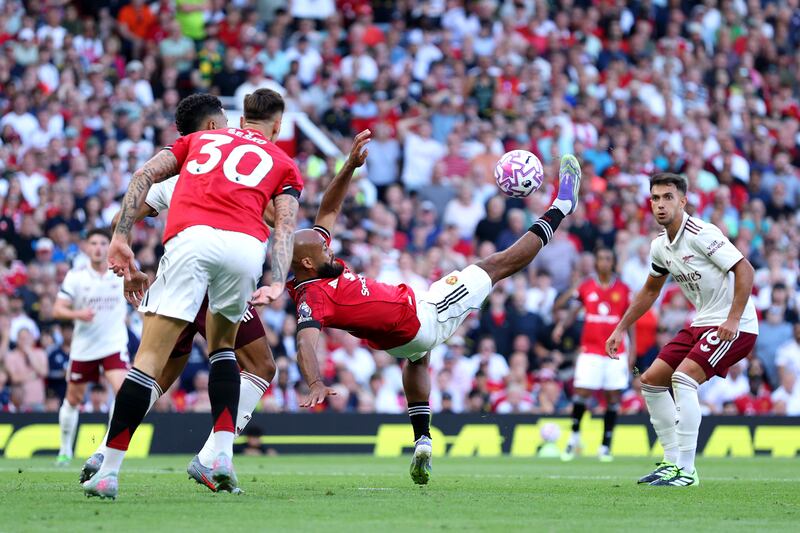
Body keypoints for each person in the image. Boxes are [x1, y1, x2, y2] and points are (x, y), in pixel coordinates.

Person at [284, 154, 582, 485]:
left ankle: (423, 440)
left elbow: (329, 208)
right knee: (498, 265)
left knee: (417, 360)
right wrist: (314, 382)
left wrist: (350, 166)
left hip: (398, 340)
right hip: (422, 317)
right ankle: (562, 206)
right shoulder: (312, 298)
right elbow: (304, 340)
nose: (330, 251)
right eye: (323, 252)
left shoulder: (313, 265)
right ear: (308, 263)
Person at [83, 88, 303, 500]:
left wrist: (121, 242)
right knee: (228, 354)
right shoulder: (282, 162)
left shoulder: (195, 147)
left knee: (150, 363)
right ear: (276, 125)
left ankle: (107, 467)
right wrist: (277, 280)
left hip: (191, 247)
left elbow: (142, 179)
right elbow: (285, 225)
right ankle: (220, 456)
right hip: (244, 251)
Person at [606, 173, 759, 487]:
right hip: (702, 322)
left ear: (683, 201)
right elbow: (650, 291)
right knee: (649, 381)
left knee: (683, 378)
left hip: (736, 325)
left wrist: (732, 318)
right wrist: (621, 327)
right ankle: (672, 462)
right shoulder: (660, 246)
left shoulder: (701, 233)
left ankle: (687, 472)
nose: (660, 205)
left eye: (667, 197)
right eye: (655, 198)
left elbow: (745, 269)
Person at [53, 228, 129, 465]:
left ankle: (107, 446)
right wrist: (78, 313)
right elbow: (57, 309)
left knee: (124, 393)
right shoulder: (76, 276)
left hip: (113, 344)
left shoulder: (120, 272)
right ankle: (65, 450)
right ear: (86, 247)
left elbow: (138, 293)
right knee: (73, 399)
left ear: (109, 246)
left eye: (102, 243)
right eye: (93, 243)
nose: (97, 247)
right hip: (84, 346)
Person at [555, 247, 633, 462]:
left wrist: (632, 351)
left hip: (616, 351)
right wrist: (561, 326)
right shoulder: (586, 286)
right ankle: (574, 438)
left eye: (608, 258)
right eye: (600, 258)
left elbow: (631, 321)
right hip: (590, 349)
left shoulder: (624, 289)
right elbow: (567, 308)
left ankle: (605, 445)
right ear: (596, 263)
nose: (604, 262)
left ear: (613, 262)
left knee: (612, 397)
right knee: (581, 392)